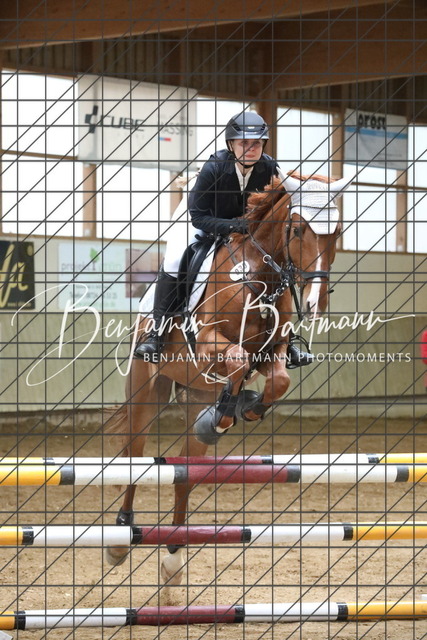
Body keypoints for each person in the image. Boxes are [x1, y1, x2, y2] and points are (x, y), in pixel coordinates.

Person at [135, 111, 313, 367]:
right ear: (231, 145)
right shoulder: (215, 167)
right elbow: (198, 216)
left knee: (277, 265)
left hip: (245, 230)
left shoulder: (271, 168)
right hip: (202, 220)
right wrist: (235, 226)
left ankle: (287, 339)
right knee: (174, 259)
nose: (251, 149)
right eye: (244, 143)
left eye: (257, 143)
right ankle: (157, 334)